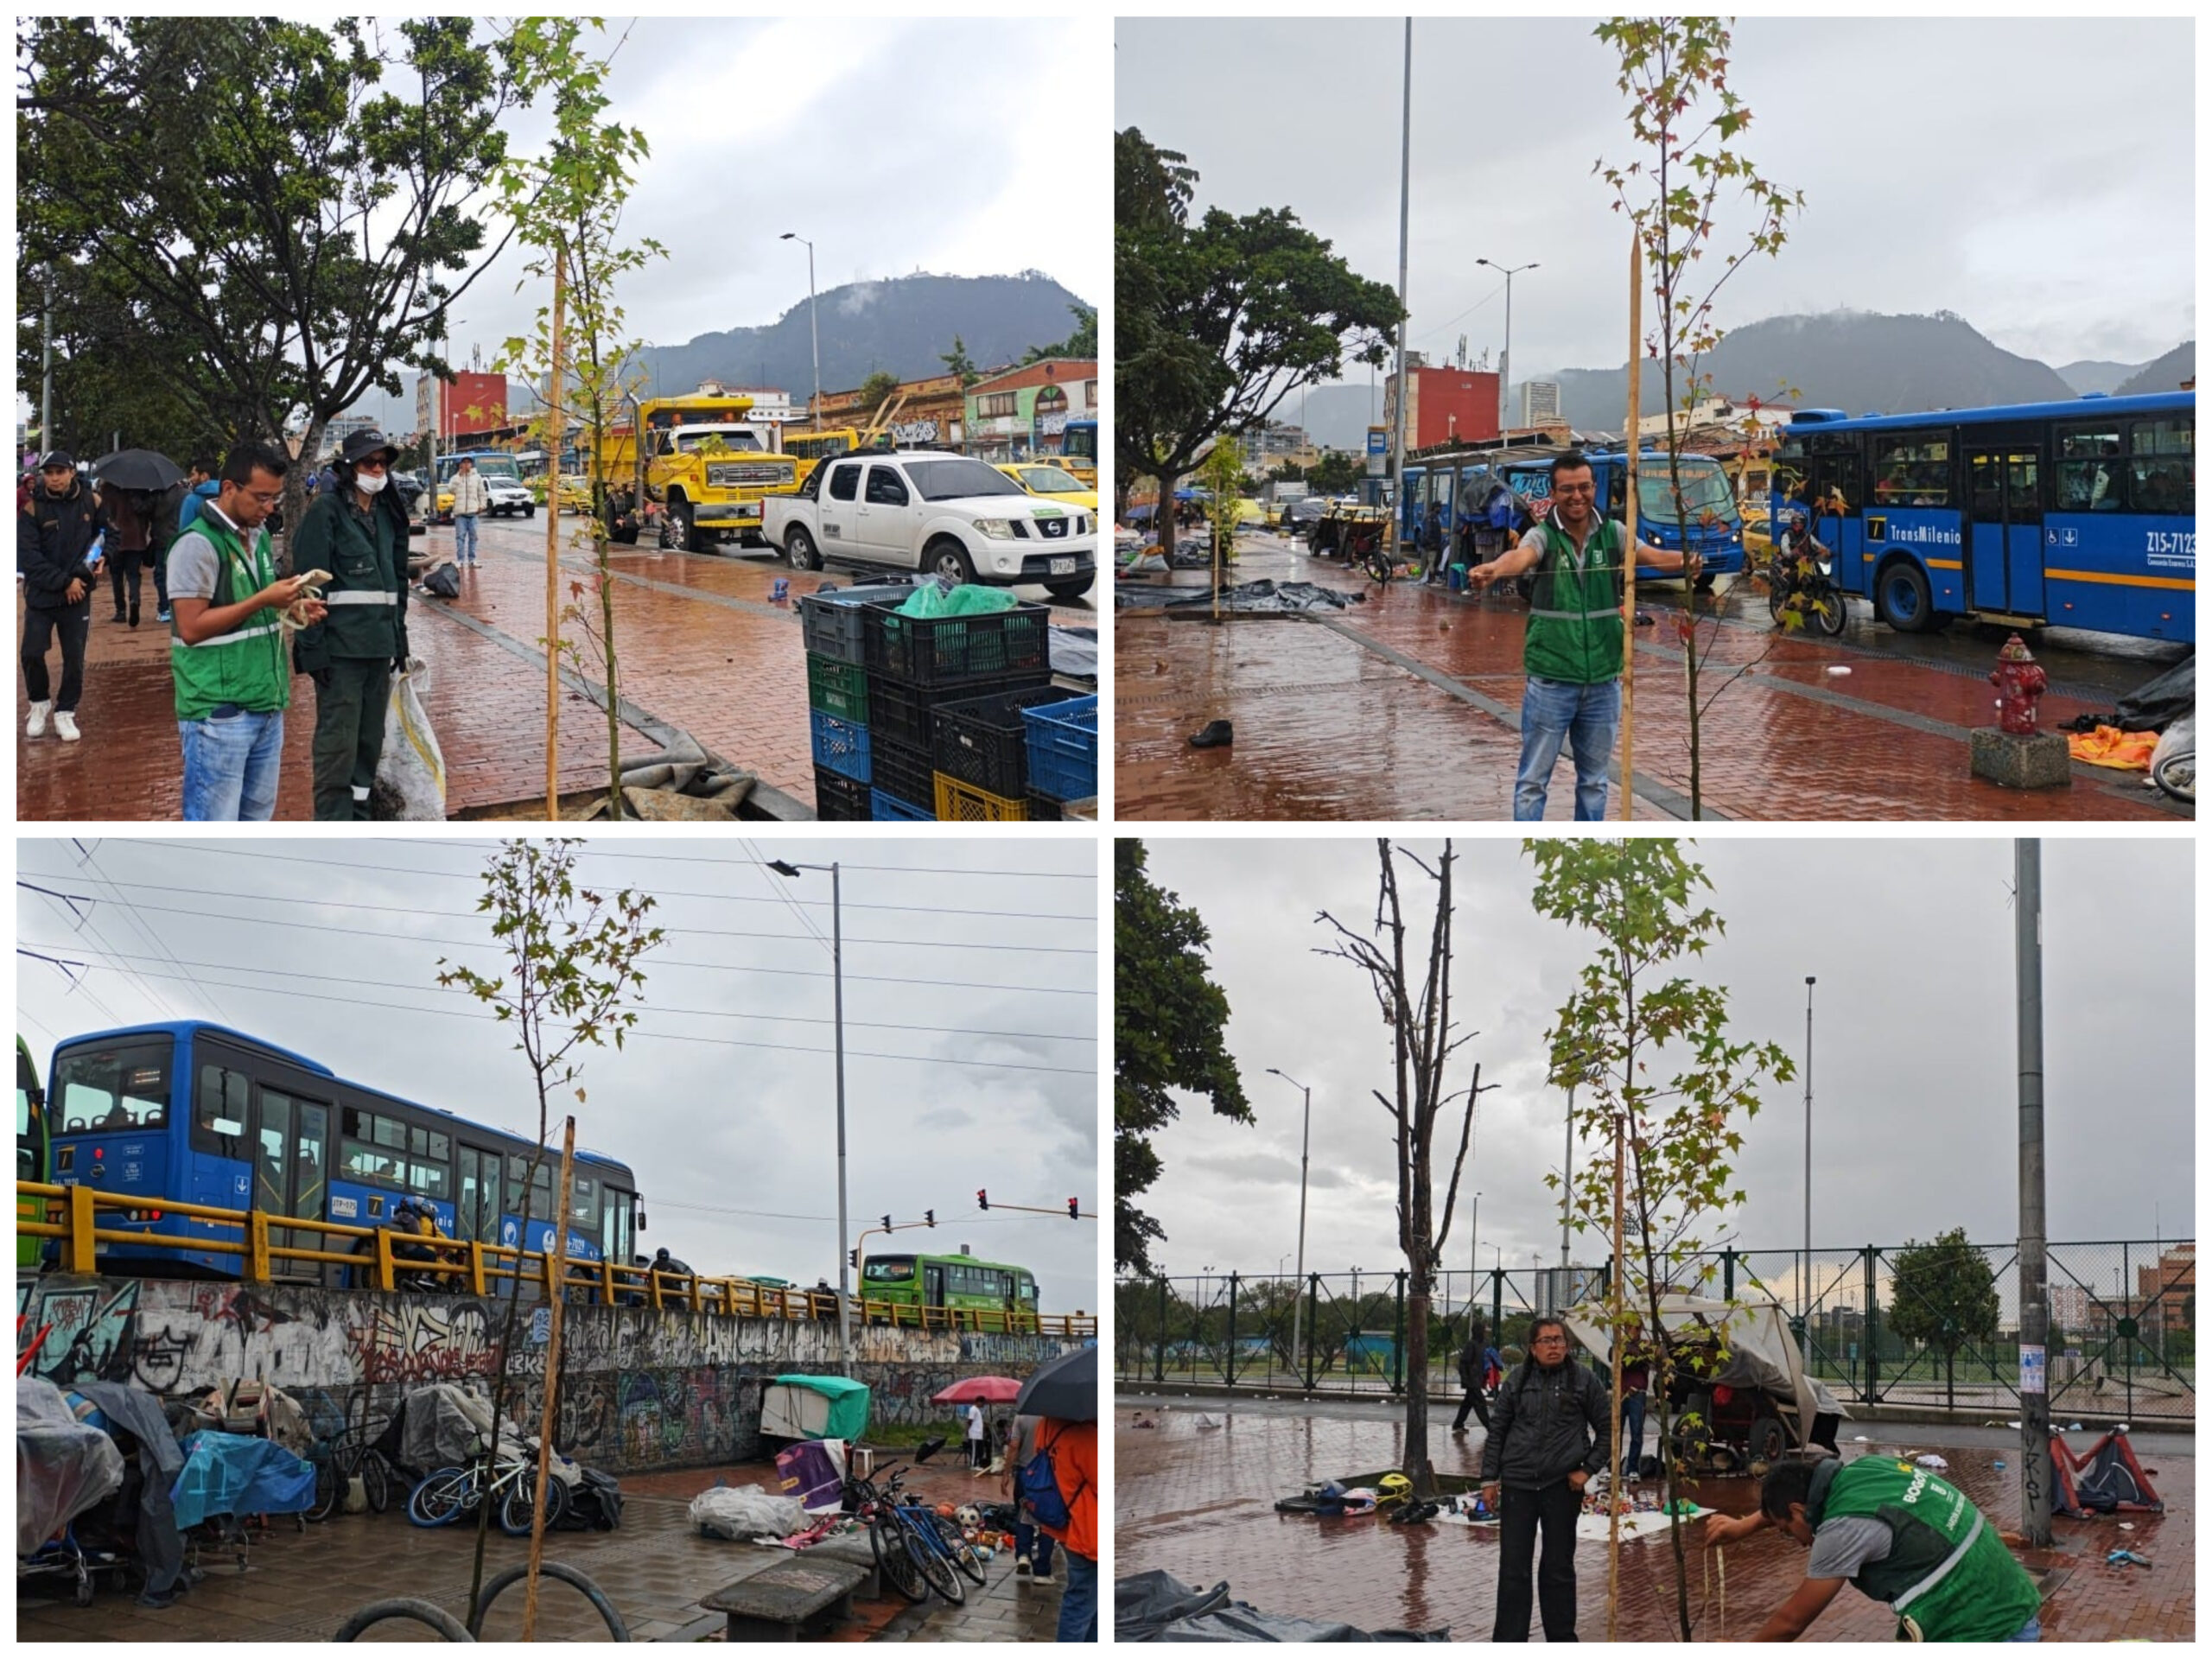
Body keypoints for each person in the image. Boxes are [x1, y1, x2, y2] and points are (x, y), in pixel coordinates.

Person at [1465, 451, 1701, 820]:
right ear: (1553, 492)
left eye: (1585, 487)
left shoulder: (1614, 533)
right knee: (1532, 782)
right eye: (1568, 489)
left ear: (1594, 488)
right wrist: (1494, 569)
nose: (1578, 496)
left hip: (1604, 683)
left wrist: (1687, 560)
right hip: (1551, 682)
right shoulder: (1541, 536)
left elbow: (1652, 556)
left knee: (1594, 782)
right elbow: (1522, 557)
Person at [1707, 1454, 2045, 1642]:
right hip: (2010, 1598)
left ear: (1799, 1510)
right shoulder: (1864, 1471)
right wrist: (1745, 1525)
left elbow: (1792, 1622)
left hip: (1988, 1630)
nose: (1798, 1543)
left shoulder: (1841, 1529)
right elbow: (1794, 1506)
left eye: (1786, 1531)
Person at [168, 442, 323, 820]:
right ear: (228, 489)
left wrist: (293, 606)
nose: (269, 508)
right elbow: (190, 628)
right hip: (219, 713)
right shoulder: (196, 545)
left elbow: (253, 609)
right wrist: (264, 600)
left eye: (275, 498)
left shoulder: (259, 539)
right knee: (215, 824)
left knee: (256, 820)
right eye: (261, 498)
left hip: (266, 705)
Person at [290, 427, 410, 820]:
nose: (377, 469)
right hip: (341, 655)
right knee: (337, 749)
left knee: (368, 745)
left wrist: (400, 641)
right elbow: (308, 587)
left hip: (379, 650)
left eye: (382, 463)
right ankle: (333, 821)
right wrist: (313, 649)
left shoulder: (388, 514)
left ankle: (359, 816)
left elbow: (397, 584)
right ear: (348, 467)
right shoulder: (327, 511)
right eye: (368, 462)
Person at [1478, 1315, 1611, 1643]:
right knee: (1513, 1569)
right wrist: (1488, 1479)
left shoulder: (1584, 1380)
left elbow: (1609, 1429)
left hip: (1561, 1486)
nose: (1554, 1346)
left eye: (1560, 1340)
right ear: (1532, 1348)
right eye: (1547, 1341)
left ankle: (1562, 1640)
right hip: (1518, 1485)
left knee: (1558, 1568)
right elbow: (1498, 1431)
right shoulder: (1517, 1380)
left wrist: (1588, 1469)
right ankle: (1509, 1641)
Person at [18, 450, 107, 743]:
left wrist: (103, 557)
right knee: (32, 652)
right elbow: (29, 558)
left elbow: (109, 534)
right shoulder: (32, 509)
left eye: (60, 472)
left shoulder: (91, 502)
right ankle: (39, 703)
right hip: (42, 596)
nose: (54, 478)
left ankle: (65, 711)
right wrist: (64, 582)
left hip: (78, 595)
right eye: (49, 472)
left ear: (71, 473)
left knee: (74, 658)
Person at [1034, 1414, 1096, 1642]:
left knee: (1091, 1601)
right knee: (1081, 1601)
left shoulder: (1046, 1424)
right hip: (1086, 1530)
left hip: (1062, 1521)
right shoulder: (1086, 1435)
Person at [999, 1413, 1057, 1585]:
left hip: (1025, 1473)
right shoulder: (1056, 1416)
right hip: (1050, 1474)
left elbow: (1014, 1445)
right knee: (1048, 1520)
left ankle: (1023, 1554)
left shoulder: (1021, 1417)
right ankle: (1042, 1571)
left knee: (1023, 1514)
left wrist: (1006, 1473)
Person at [101, 483, 162, 627]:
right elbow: (146, 514)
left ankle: (120, 611)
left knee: (116, 576)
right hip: (136, 539)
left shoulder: (108, 488)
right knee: (133, 575)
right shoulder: (141, 489)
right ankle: (135, 600)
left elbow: (105, 515)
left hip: (116, 540)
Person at [1451, 1320, 1492, 1433]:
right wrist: (1465, 1379)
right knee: (1480, 1403)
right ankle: (1490, 1428)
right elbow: (1464, 1363)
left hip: (1477, 1379)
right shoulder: (1471, 1345)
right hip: (1472, 1380)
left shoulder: (1485, 1344)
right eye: (1484, 1330)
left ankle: (1458, 1424)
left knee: (1467, 1404)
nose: (1486, 1333)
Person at [447, 455, 488, 567]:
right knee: (460, 537)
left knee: (473, 537)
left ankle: (472, 560)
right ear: (461, 464)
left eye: (468, 462)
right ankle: (460, 560)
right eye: (464, 462)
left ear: (472, 464)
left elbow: (482, 493)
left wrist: (482, 505)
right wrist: (459, 476)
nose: (466, 465)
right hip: (460, 513)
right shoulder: (456, 477)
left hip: (473, 512)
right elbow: (450, 489)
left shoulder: (477, 477)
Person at [1618, 1351, 1649, 1483]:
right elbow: (1611, 1355)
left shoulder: (1644, 1346)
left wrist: (1626, 1361)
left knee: (1636, 1431)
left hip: (1637, 1393)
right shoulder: (1620, 1344)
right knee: (1615, 1432)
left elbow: (1642, 1361)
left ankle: (1633, 1468)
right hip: (1620, 1392)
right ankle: (1612, 1467)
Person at [966, 1399, 989, 1471]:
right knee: (974, 1450)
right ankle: (973, 1465)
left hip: (978, 1434)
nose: (983, 1405)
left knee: (979, 1450)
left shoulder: (977, 1410)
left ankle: (977, 1463)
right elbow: (970, 1420)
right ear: (978, 1402)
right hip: (974, 1434)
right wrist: (967, 1430)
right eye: (982, 1403)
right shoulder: (973, 1409)